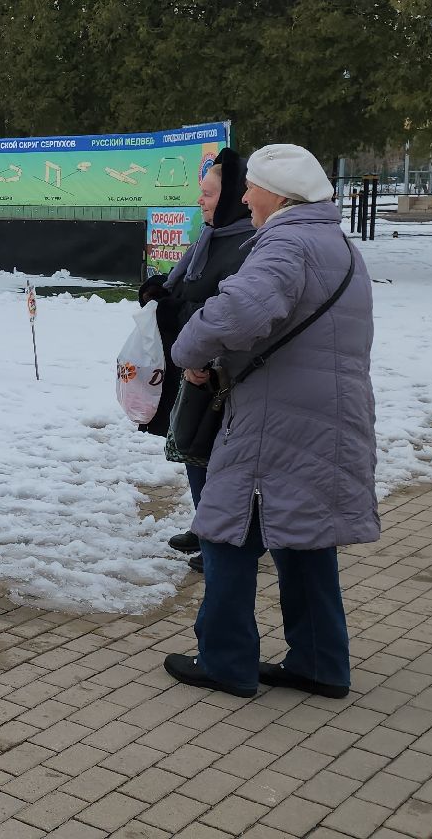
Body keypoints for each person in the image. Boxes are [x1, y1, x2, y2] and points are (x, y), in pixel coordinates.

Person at [162, 144, 379, 699]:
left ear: (279, 195)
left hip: (275, 419)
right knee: (304, 539)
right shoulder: (338, 244)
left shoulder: (287, 242)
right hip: (327, 415)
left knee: (225, 535)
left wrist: (189, 351)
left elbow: (238, 311)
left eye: (251, 186)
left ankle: (226, 662)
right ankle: (320, 663)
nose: (244, 197)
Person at [138, 147, 254, 574]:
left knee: (213, 456)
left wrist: (175, 311)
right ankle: (206, 523)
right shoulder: (211, 237)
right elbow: (188, 288)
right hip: (193, 367)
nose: (201, 201)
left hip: (222, 375)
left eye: (208, 194)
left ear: (230, 197)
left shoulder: (245, 244)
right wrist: (160, 294)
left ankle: (221, 537)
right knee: (191, 448)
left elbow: (225, 311)